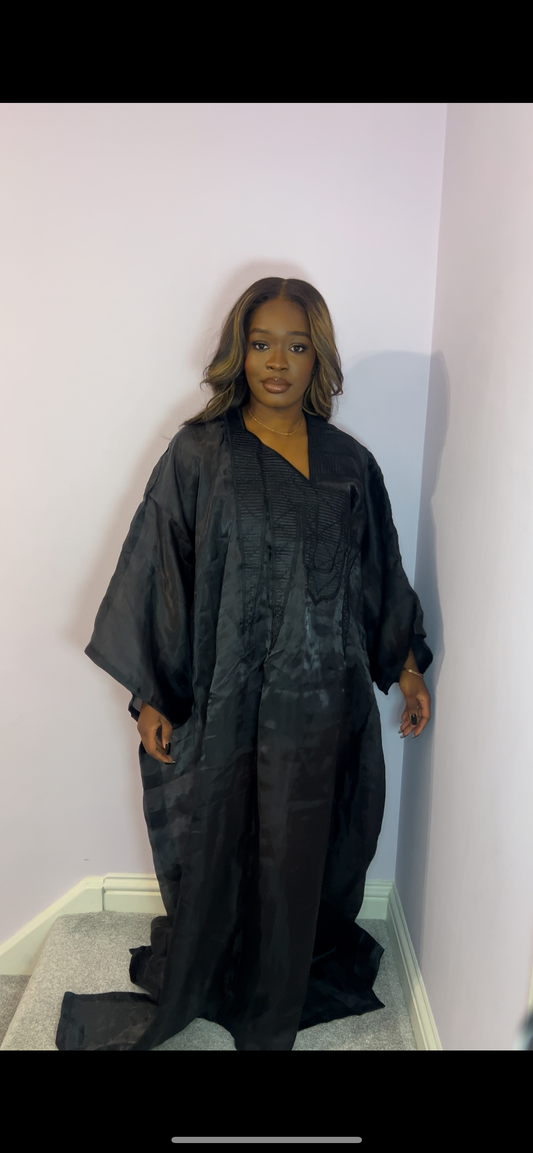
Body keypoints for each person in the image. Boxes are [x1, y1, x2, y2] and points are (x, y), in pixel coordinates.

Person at [56, 277, 432, 1051]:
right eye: (262, 343)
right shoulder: (200, 453)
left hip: (320, 702)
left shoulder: (349, 464)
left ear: (317, 358)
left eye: (296, 346)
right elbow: (162, 564)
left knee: (302, 845)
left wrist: (405, 666)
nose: (277, 362)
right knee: (222, 836)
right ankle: (221, 961)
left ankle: (282, 972)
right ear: (240, 349)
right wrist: (152, 692)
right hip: (226, 694)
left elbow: (376, 572)